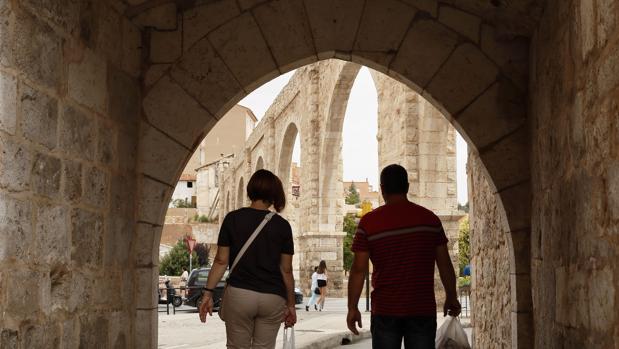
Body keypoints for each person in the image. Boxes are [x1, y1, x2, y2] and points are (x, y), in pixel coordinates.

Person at [346, 164, 461, 349]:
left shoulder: (369, 223)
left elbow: (358, 270)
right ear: (407, 187)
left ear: (382, 189)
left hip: (385, 310)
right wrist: (451, 296)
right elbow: (445, 264)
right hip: (421, 309)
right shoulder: (429, 220)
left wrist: (352, 308)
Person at [199, 169, 297, 348]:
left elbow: (221, 261)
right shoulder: (282, 226)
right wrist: (291, 304)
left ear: (251, 190)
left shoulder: (233, 219)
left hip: (240, 295)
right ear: (274, 194)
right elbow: (286, 270)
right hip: (272, 297)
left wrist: (208, 293)